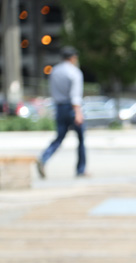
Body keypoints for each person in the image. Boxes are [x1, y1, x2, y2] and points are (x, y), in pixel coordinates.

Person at [37, 46, 86, 178]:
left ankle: (43, 158)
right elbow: (75, 95)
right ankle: (81, 169)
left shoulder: (55, 71)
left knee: (59, 138)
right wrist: (78, 113)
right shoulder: (74, 72)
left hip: (59, 107)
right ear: (73, 57)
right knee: (81, 139)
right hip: (71, 108)